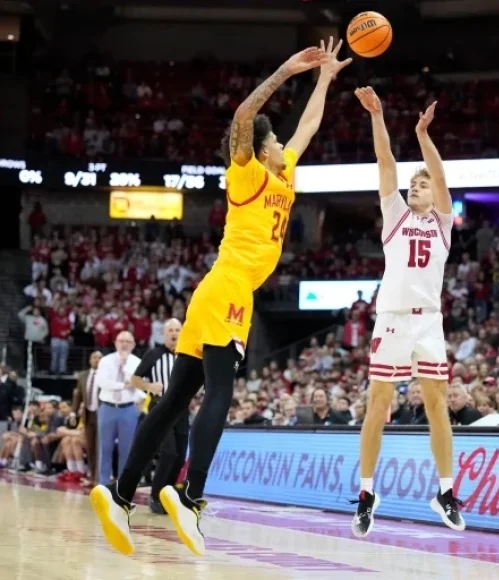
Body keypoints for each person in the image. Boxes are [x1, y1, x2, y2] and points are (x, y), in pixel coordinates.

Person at [89, 39, 350, 557]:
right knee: (220, 394)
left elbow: (309, 126)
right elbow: (243, 114)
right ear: (263, 146)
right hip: (229, 289)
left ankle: (120, 494)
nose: (283, 146)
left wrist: (324, 81)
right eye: (275, 141)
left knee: (175, 398)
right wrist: (286, 70)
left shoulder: (284, 172)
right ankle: (192, 495)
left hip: (213, 292)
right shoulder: (248, 173)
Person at [351, 86, 464, 538]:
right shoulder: (394, 213)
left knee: (437, 404)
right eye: (413, 185)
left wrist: (422, 134)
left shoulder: (442, 223)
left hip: (429, 321)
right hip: (394, 318)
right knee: (378, 405)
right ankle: (366, 494)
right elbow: (386, 165)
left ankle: (445, 491)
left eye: (423, 186)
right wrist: (378, 117)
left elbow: (438, 173)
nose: (417, 188)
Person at [130, 319, 183, 515]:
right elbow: (134, 379)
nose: (174, 333)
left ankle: (167, 496)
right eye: (170, 330)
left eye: (178, 330)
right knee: (168, 451)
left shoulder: (186, 355)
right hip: (160, 406)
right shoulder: (154, 354)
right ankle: (155, 496)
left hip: (182, 409)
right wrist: (149, 387)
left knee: (179, 455)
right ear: (164, 333)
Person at [95, 331, 141, 486]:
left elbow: (138, 385)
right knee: (105, 448)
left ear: (133, 345)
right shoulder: (106, 361)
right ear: (115, 343)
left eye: (128, 341)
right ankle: (103, 483)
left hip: (128, 409)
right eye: (121, 340)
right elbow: (103, 382)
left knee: (126, 450)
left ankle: (123, 485)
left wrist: (125, 366)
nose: (124, 344)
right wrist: (124, 385)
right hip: (107, 408)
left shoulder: (137, 362)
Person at [71, 351, 102, 483]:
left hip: (102, 414)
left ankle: (100, 477)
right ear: (90, 360)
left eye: (100, 358)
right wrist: (73, 412)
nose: (97, 360)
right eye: (94, 357)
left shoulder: (106, 375)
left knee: (100, 446)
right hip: (88, 415)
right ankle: (91, 475)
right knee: (90, 447)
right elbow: (78, 396)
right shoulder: (83, 375)